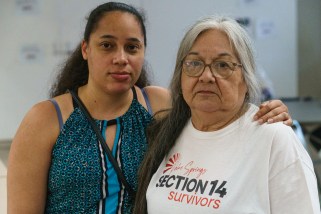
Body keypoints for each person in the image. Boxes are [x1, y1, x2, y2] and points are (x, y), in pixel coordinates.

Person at [7, 2, 292, 214]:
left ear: (143, 51)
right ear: (85, 49)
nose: (120, 58)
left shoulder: (159, 104)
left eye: (132, 47)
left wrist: (265, 113)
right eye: (107, 45)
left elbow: (217, 119)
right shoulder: (46, 119)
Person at [134, 16, 320, 213]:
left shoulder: (274, 139)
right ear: (181, 75)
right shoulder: (168, 131)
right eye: (194, 63)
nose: (206, 76)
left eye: (222, 65)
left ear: (246, 79)